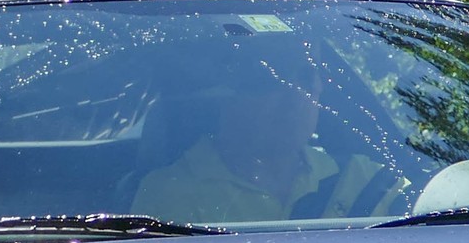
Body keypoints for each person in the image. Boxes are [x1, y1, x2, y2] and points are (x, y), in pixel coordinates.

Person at [132, 57, 397, 224]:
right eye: (270, 83)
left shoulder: (364, 176)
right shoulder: (170, 190)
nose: (295, 100)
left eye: (306, 83)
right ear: (226, 101)